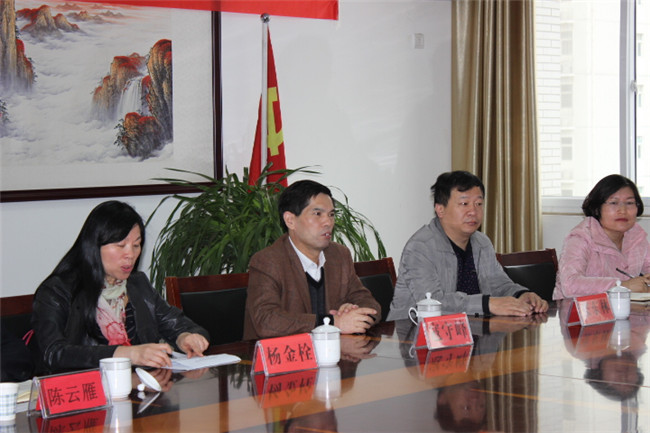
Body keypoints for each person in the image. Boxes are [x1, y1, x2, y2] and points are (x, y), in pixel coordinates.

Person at [32, 201, 210, 373]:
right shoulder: (57, 291)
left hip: (139, 386)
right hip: (86, 389)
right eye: (120, 246)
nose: (130, 255)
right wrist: (127, 354)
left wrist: (186, 338)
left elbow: (181, 325)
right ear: (94, 246)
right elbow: (53, 353)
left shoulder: (138, 284)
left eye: (136, 245)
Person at [388, 171, 548, 319]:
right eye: (464, 204)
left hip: (472, 330)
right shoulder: (420, 248)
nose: (473, 211)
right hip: (413, 333)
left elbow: (498, 283)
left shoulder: (482, 242)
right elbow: (433, 302)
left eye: (479, 204)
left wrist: (521, 295)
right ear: (440, 209)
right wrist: (487, 304)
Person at [243, 180, 380, 340]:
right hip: (283, 354)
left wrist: (353, 311)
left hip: (333, 351)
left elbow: (370, 304)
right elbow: (266, 320)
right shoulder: (268, 261)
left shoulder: (339, 255)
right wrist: (332, 322)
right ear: (290, 220)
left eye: (331, 215)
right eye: (317, 214)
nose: (328, 222)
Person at [553, 174, 650, 299]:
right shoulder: (580, 238)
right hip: (576, 309)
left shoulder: (635, 235)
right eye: (614, 203)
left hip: (623, 307)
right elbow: (570, 285)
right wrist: (622, 285)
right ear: (597, 208)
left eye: (630, 203)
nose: (623, 210)